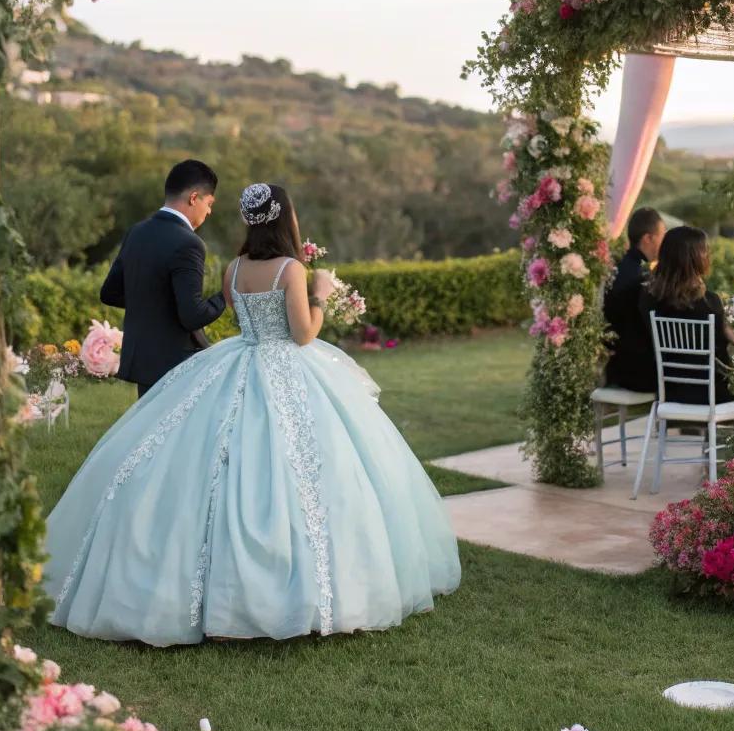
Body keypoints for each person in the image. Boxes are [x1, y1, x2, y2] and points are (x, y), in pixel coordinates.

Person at [46, 181, 461, 645]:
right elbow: (303, 334)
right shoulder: (292, 270)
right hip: (288, 364)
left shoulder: (233, 267)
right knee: (310, 470)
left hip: (237, 361)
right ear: (287, 219)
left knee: (217, 461)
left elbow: (241, 321)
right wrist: (321, 293)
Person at [100, 159, 226, 399]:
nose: (209, 211)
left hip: (142, 359)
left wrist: (152, 301)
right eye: (209, 203)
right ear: (194, 197)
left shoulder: (137, 232)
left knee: (149, 433)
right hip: (174, 361)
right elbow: (193, 315)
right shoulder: (189, 243)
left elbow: (110, 293)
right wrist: (225, 296)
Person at [638, 225, 734, 404]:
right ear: (697, 259)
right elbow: (726, 353)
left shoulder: (648, 299)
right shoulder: (710, 303)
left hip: (669, 393)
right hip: (711, 396)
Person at [603, 206, 665, 392]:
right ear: (648, 238)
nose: (664, 241)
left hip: (616, 365)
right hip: (637, 371)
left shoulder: (621, 268)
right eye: (662, 235)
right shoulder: (640, 277)